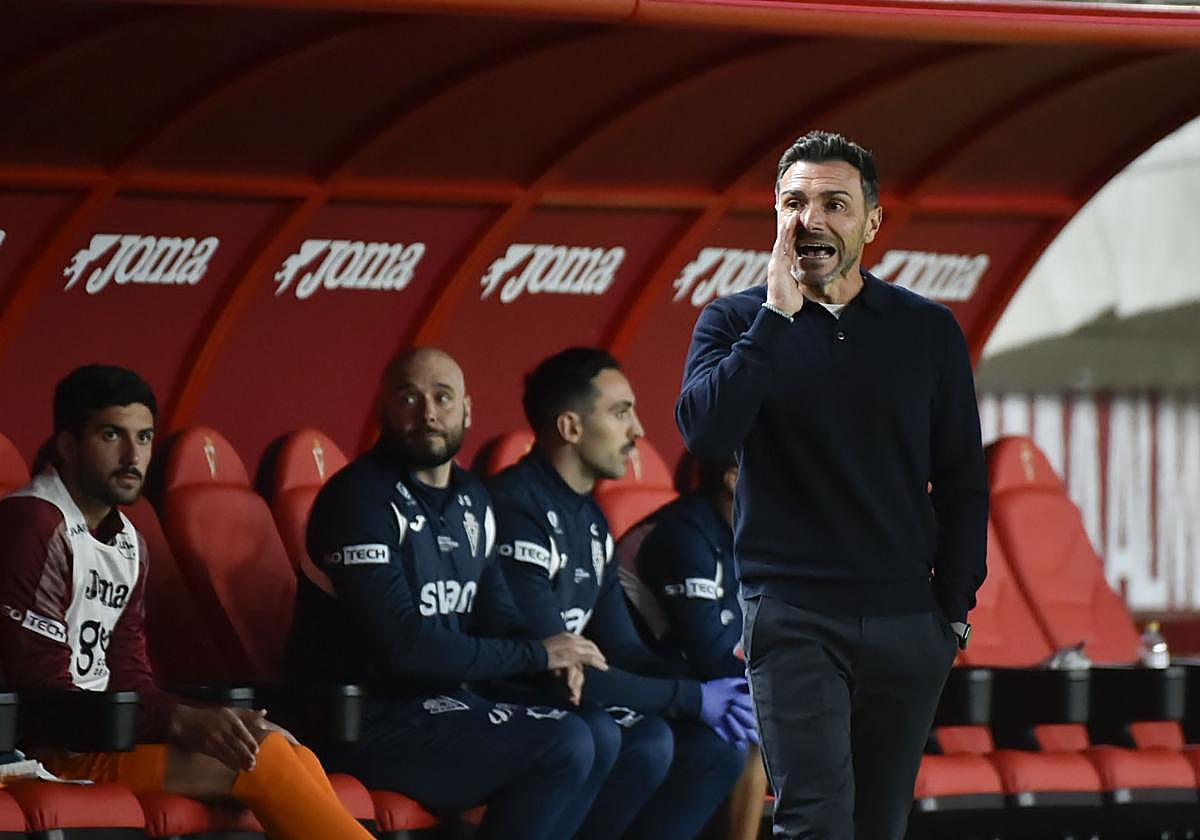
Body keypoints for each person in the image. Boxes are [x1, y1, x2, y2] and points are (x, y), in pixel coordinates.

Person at [676, 130, 989, 840]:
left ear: (871, 223)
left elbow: (964, 477)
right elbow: (705, 436)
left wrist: (954, 607)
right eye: (794, 202)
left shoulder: (926, 330)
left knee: (880, 823)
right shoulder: (734, 322)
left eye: (833, 204)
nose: (810, 219)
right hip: (792, 615)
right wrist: (776, 319)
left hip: (909, 621)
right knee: (816, 821)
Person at [0, 364, 373, 840]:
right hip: (45, 749)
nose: (133, 455)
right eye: (112, 435)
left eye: (145, 437)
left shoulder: (129, 541)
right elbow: (43, 695)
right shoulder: (32, 523)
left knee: (287, 749)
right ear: (69, 446)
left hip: (107, 736)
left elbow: (132, 677)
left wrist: (210, 721)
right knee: (267, 760)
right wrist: (183, 720)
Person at [287, 347, 610, 840]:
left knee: (603, 732)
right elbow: (405, 646)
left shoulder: (472, 497)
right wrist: (534, 653)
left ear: (467, 409)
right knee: (563, 743)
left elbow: (497, 615)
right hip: (363, 723)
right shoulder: (357, 499)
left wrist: (557, 659)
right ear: (383, 411)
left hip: (443, 708)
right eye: (409, 398)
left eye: (442, 397)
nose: (428, 413)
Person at [488, 347, 752, 840]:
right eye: (620, 412)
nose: (638, 432)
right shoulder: (515, 508)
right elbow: (549, 669)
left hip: (576, 701)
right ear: (570, 427)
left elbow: (624, 650)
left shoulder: (588, 518)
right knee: (641, 740)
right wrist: (692, 697)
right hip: (507, 698)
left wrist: (718, 694)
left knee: (715, 747)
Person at [628, 454, 769, 840]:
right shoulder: (682, 534)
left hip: (688, 683)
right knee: (754, 714)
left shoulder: (751, 537)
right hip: (637, 686)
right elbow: (713, 656)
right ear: (732, 479)